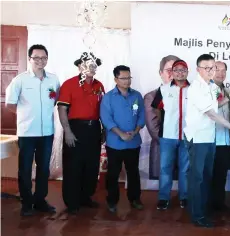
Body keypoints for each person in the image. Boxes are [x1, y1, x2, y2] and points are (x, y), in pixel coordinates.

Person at [184, 54, 230, 227]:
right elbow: (211, 113)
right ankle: (197, 215)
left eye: (213, 68)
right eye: (207, 68)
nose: (211, 71)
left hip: (209, 138)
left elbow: (215, 106)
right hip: (198, 139)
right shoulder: (196, 88)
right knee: (197, 178)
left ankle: (203, 211)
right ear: (198, 69)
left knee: (206, 176)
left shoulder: (210, 86)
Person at [5, 44, 59, 216]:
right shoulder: (20, 80)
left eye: (44, 58)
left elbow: (55, 100)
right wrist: (26, 115)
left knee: (44, 168)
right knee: (25, 169)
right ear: (29, 59)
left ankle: (40, 200)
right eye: (36, 58)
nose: (40, 61)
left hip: (47, 132)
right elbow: (10, 104)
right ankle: (27, 203)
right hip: (27, 132)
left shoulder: (53, 79)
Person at [57, 52, 105, 214]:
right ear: (79, 67)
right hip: (75, 128)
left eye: (93, 64)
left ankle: (86, 197)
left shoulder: (99, 86)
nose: (90, 67)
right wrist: (68, 131)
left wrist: (103, 129)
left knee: (91, 165)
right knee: (73, 166)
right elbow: (62, 109)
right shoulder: (69, 84)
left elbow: (103, 109)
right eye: (87, 64)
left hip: (94, 129)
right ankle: (72, 202)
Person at [100, 65, 145, 213]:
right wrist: (121, 134)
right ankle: (112, 201)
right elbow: (106, 119)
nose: (127, 81)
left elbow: (141, 116)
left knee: (133, 172)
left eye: (129, 78)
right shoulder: (108, 97)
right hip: (115, 143)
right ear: (115, 79)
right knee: (113, 173)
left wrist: (135, 131)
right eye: (123, 78)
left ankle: (135, 199)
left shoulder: (137, 96)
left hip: (133, 142)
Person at [151, 59, 190, 210]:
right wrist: (166, 122)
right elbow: (156, 108)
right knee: (165, 168)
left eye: (183, 70)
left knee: (185, 169)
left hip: (187, 135)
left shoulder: (193, 89)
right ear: (171, 73)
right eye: (177, 70)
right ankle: (163, 198)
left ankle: (184, 197)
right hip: (167, 136)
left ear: (187, 72)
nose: (180, 72)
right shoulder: (164, 89)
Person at [144, 55, 180, 183]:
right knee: (161, 195)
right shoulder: (151, 97)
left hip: (184, 154)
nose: (172, 73)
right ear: (161, 73)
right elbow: (154, 129)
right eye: (168, 70)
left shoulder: (187, 94)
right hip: (163, 151)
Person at [212, 61, 230, 211]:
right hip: (211, 140)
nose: (221, 73)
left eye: (223, 70)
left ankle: (219, 203)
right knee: (210, 175)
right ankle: (207, 205)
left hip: (225, 139)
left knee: (221, 174)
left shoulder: (226, 90)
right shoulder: (206, 89)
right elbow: (211, 107)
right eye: (217, 70)